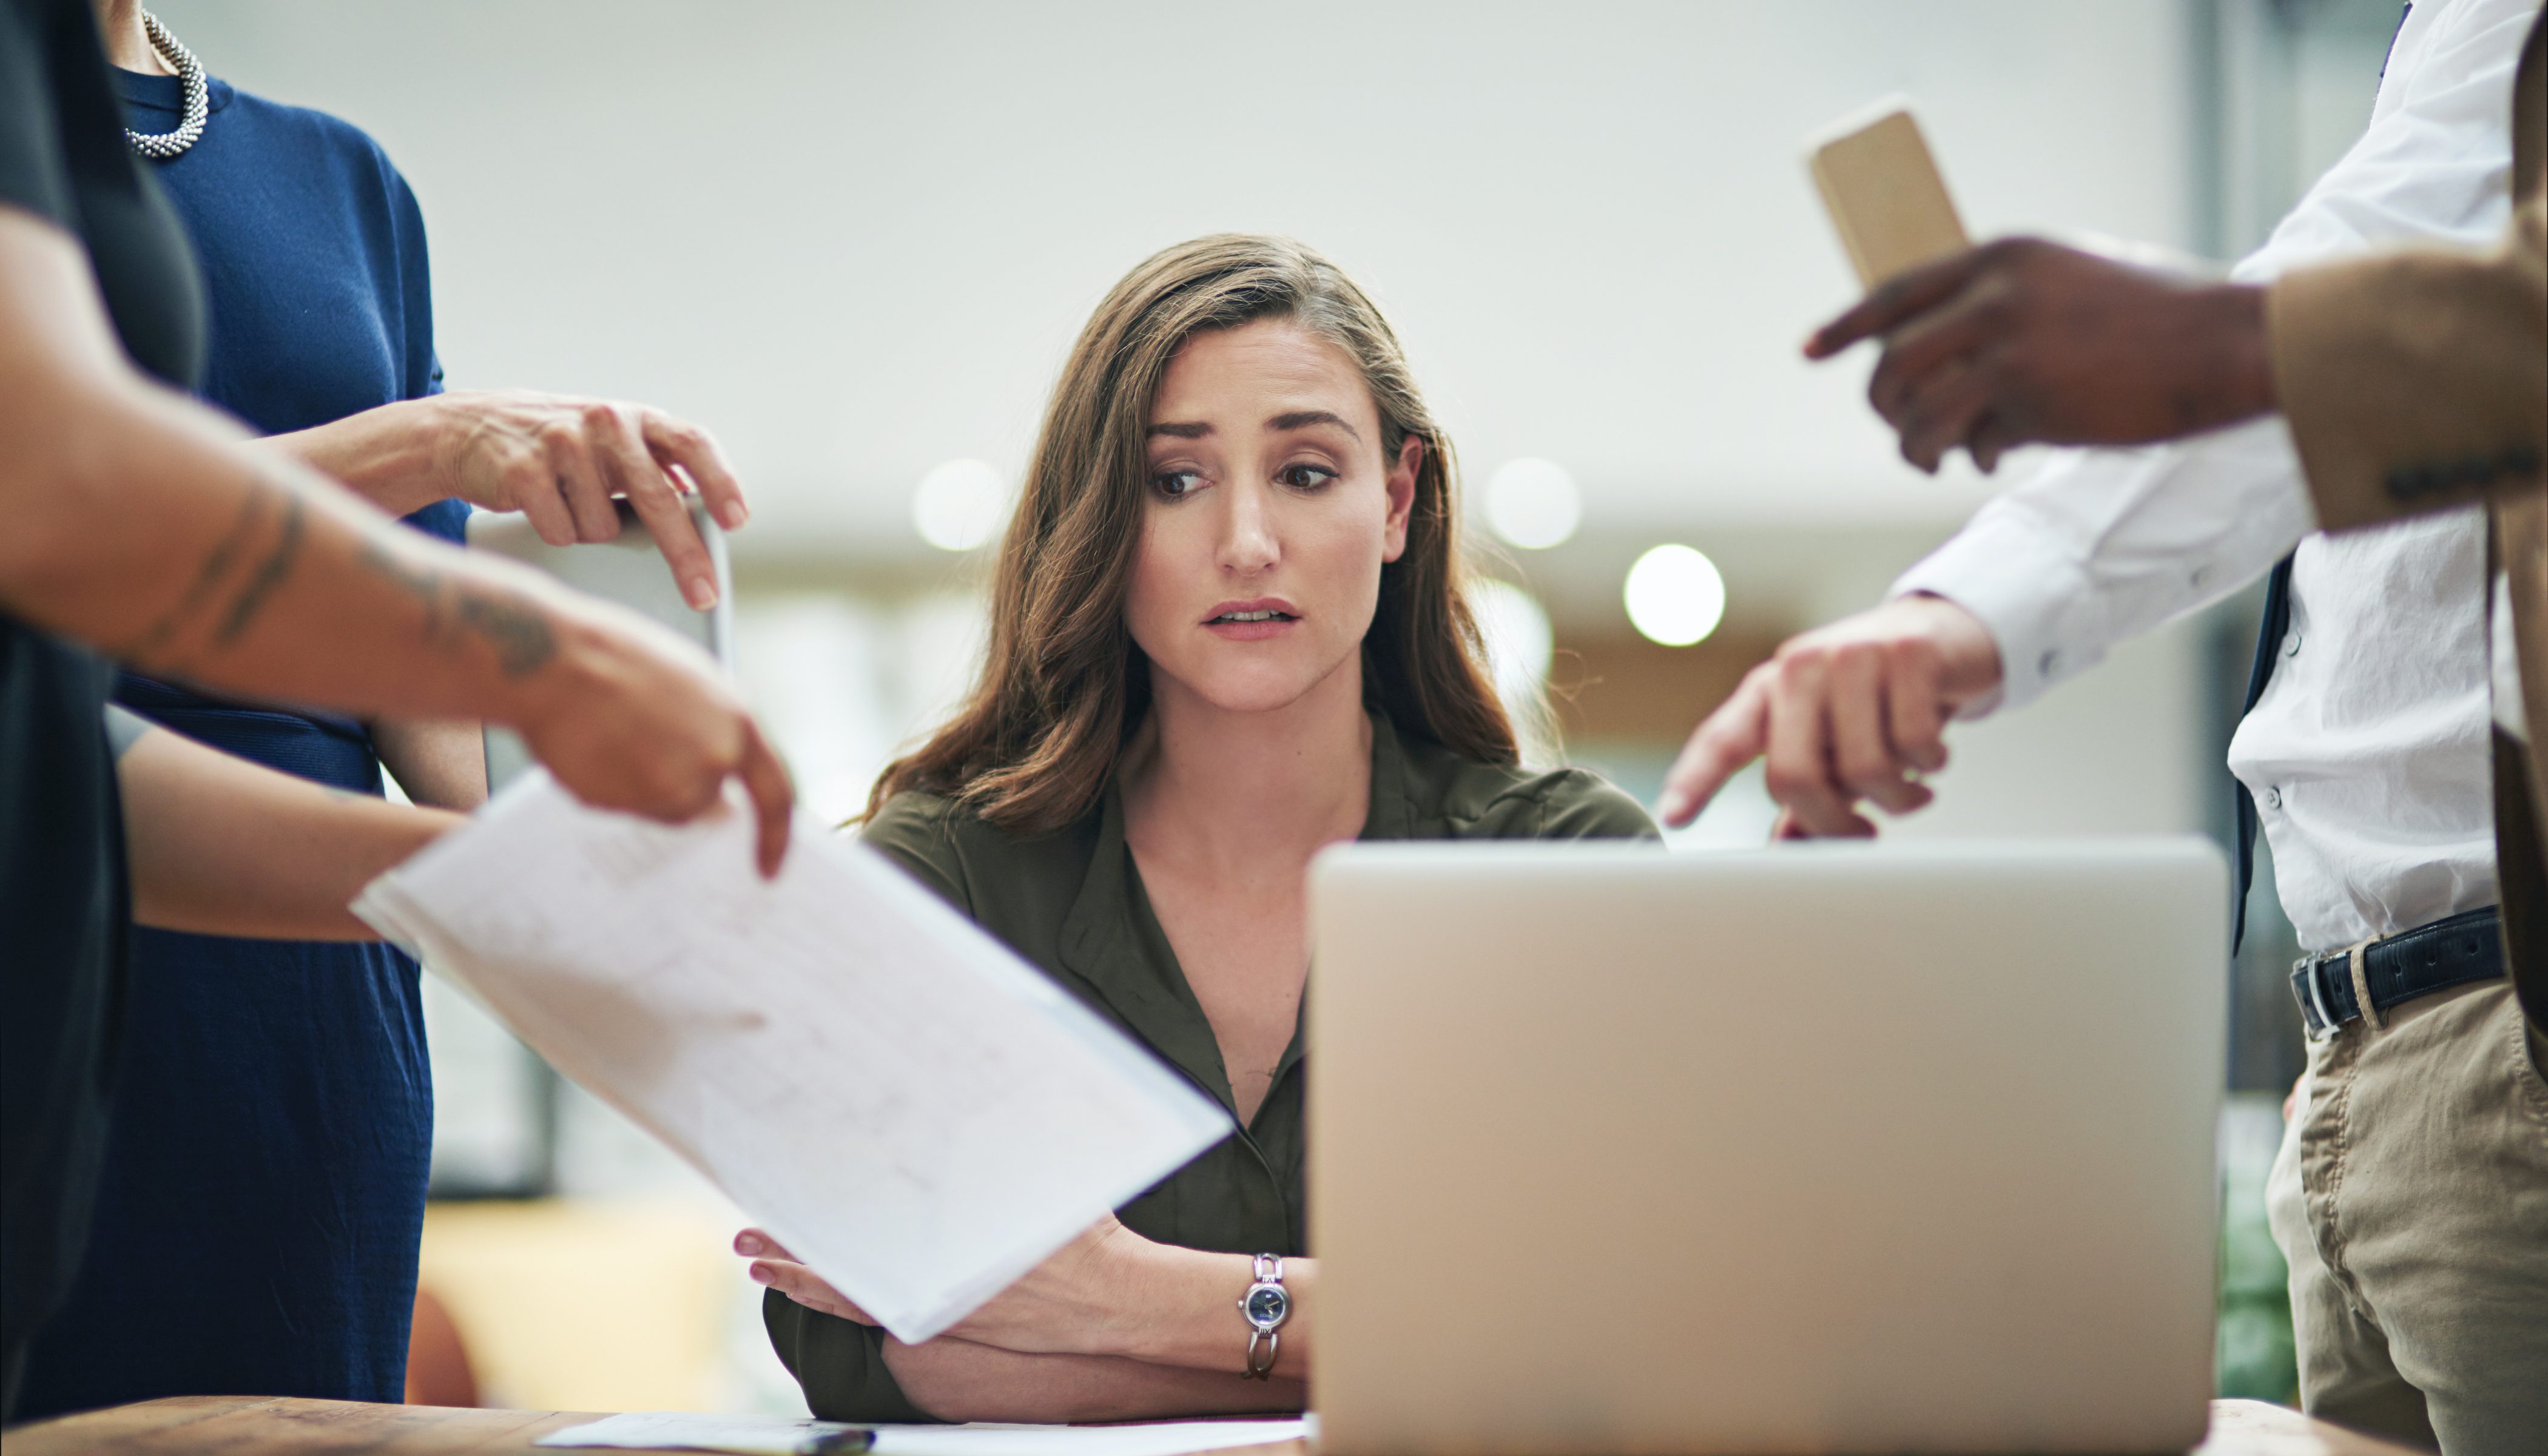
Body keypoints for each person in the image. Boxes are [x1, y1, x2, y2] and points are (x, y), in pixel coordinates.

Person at [1657, 2, 2546, 1450]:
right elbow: (2386, 310)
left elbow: (2410, 313)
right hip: (2371, 1054)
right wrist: (1962, 614)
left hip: (2509, 1032)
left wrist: (2218, 339)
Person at [0, 0, 791, 1417]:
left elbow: (411, 647)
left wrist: (559, 880)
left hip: (313, 984)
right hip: (60, 908)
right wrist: (448, 481)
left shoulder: (345, 182)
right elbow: (65, 501)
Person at [739, 234, 1655, 1423]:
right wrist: (1381, 1341)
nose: (1247, 542)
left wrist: (1114, 1297)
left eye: (1306, 473)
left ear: (1397, 500)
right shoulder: (947, 880)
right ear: (1101, 522)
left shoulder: (1570, 872)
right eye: (1174, 482)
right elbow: (840, 1337)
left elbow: (1619, 1316)